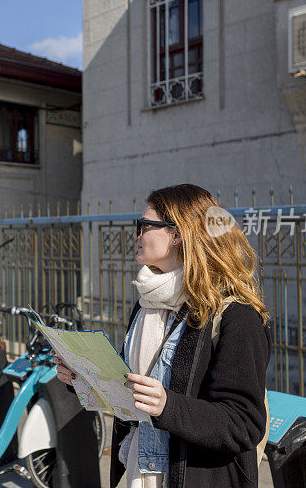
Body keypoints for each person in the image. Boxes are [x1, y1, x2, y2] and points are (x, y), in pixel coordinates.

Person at [54, 184, 271, 488]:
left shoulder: (237, 315)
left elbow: (244, 424)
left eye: (144, 226)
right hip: (135, 471)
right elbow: (129, 391)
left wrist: (168, 406)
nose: (137, 235)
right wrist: (81, 376)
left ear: (178, 233)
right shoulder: (146, 303)